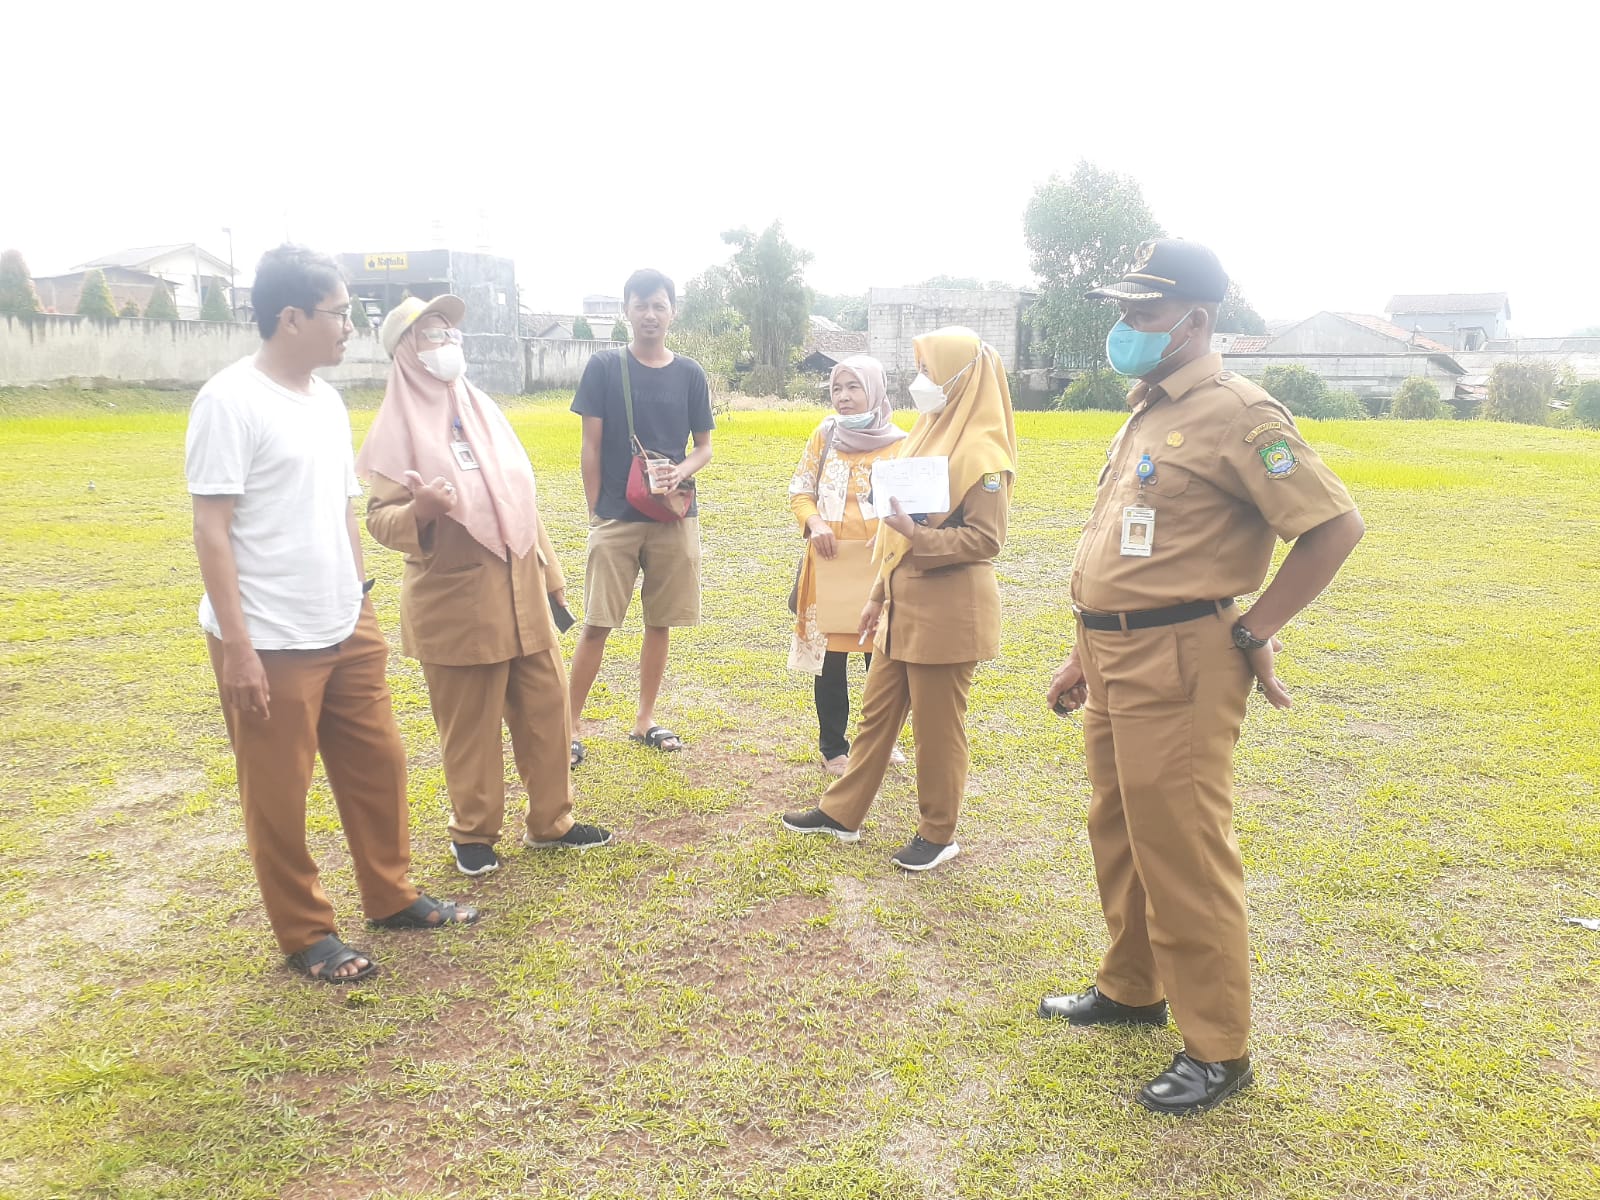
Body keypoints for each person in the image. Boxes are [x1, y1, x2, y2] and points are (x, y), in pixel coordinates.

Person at [1039, 239, 1365, 1115]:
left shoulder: (1239, 413)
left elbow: (1333, 527)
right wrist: (1081, 651)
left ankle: (1219, 1048)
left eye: (1143, 313)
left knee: (1183, 848)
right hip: (1112, 655)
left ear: (1197, 320)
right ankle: (1133, 987)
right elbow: (1121, 542)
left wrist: (1256, 625)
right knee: (1120, 831)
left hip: (1182, 660)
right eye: (1124, 311)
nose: (1126, 328)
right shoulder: (1146, 408)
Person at [186, 245, 477, 986]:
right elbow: (211, 530)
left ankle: (391, 893)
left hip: (344, 620)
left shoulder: (325, 399)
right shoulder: (229, 401)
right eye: (341, 313)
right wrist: (241, 649)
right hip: (270, 635)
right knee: (278, 794)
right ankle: (306, 932)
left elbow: (343, 512)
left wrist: (362, 599)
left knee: (379, 763)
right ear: (291, 318)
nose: (352, 326)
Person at [360, 295, 613, 878]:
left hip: (522, 591)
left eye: (451, 330)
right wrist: (420, 510)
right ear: (405, 350)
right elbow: (379, 519)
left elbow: (518, 500)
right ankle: (473, 832)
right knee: (469, 727)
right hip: (457, 604)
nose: (448, 342)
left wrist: (550, 575)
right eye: (431, 333)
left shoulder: (483, 411)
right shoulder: (395, 428)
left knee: (546, 711)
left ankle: (552, 821)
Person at [782, 327, 1017, 872]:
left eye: (930, 372)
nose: (922, 383)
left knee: (937, 729)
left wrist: (916, 534)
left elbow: (986, 541)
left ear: (961, 378)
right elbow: (894, 530)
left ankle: (939, 832)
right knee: (877, 713)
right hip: (899, 601)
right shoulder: (928, 435)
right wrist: (877, 593)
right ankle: (843, 812)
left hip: (949, 610)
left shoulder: (983, 453)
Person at [567, 269, 714, 760]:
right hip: (616, 515)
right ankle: (567, 727)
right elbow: (589, 446)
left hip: (673, 514)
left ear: (673, 311)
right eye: (641, 305)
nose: (650, 315)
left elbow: (705, 447)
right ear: (626, 310)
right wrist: (596, 510)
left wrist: (681, 470)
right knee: (596, 622)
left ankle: (644, 718)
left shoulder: (690, 373)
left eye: (659, 305)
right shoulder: (605, 368)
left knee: (661, 621)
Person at [787, 355, 907, 776]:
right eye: (837, 388)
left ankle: (881, 741)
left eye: (853, 387)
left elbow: (910, 504)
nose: (843, 396)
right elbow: (800, 489)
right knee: (831, 659)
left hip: (880, 567)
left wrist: (892, 532)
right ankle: (833, 746)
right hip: (830, 565)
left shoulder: (901, 443)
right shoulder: (825, 435)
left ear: (874, 389)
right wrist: (814, 522)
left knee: (883, 659)